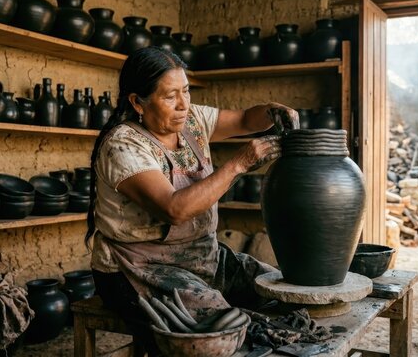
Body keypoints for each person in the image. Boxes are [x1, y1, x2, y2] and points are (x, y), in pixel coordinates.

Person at [84, 46, 298, 355]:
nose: (183, 104)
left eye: (186, 91)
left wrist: (270, 111)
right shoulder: (123, 145)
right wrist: (238, 164)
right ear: (137, 102)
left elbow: (242, 120)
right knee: (223, 328)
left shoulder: (192, 120)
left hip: (200, 255)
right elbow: (175, 209)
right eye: (170, 97)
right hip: (138, 268)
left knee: (275, 285)